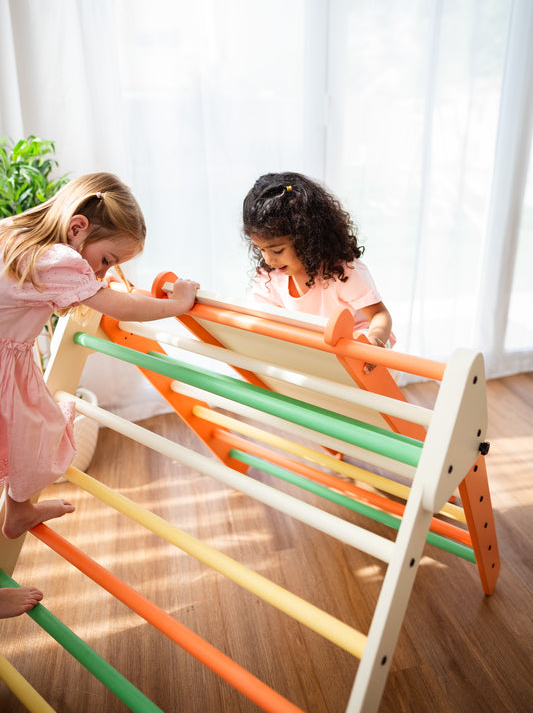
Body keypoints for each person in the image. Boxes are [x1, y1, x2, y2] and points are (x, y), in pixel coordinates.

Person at [0, 172, 199, 546]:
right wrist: (178, 304)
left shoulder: (16, 236)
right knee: (33, 431)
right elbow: (123, 306)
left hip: (9, 358)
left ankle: (19, 508)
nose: (101, 273)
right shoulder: (57, 260)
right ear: (77, 228)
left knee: (32, 430)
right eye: (106, 260)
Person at [242, 172, 394, 372]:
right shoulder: (270, 275)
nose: (269, 259)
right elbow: (257, 317)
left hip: (361, 350)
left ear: (306, 239)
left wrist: (374, 340)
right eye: (261, 249)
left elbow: (379, 314)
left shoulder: (341, 272)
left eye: (277, 250)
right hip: (317, 351)